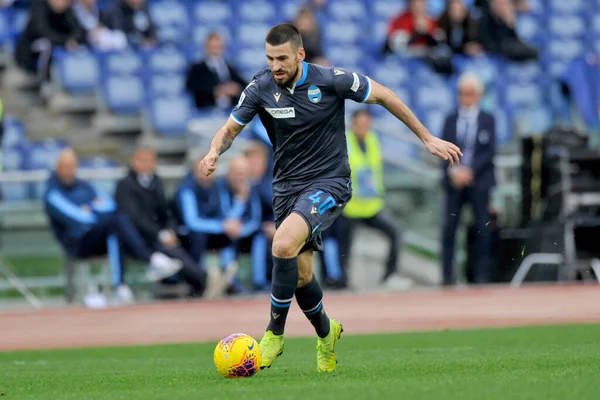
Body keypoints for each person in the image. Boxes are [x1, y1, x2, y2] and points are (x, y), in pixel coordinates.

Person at [197, 23, 461, 373]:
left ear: (300, 55)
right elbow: (230, 129)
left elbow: (384, 94)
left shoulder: (330, 80)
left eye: (282, 59)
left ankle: (274, 334)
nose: (275, 65)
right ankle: (327, 333)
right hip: (286, 187)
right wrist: (214, 151)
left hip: (330, 182)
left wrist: (427, 138)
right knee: (301, 274)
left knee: (282, 243)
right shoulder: (260, 87)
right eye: (270, 58)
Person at [44, 148, 183, 304]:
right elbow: (80, 218)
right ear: (58, 167)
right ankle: (150, 260)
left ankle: (120, 286)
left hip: (98, 235)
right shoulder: (53, 192)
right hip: (77, 243)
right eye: (65, 166)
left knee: (117, 229)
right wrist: (92, 208)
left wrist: (91, 208)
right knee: (116, 222)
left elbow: (110, 205)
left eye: (72, 165)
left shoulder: (84, 185)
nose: (69, 170)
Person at [114, 146, 218, 299]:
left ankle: (198, 283)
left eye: (149, 160)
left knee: (184, 242)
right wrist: (159, 234)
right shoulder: (124, 185)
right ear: (133, 161)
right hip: (140, 240)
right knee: (171, 251)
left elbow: (166, 211)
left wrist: (170, 230)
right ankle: (204, 279)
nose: (145, 164)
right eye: (142, 160)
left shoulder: (156, 182)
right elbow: (134, 217)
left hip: (160, 235)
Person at [338, 109, 412, 291]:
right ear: (353, 124)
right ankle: (342, 283)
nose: (364, 127)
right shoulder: (343, 142)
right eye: (360, 124)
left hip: (371, 205)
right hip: (350, 207)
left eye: (366, 124)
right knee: (344, 248)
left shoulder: (372, 140)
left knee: (396, 232)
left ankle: (389, 275)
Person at [441, 72, 496, 285]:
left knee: (483, 228)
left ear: (479, 95)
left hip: (479, 182)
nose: (466, 98)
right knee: (449, 230)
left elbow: (489, 152)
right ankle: (447, 278)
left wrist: (470, 171)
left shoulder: (488, 119)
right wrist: (455, 171)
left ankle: (482, 277)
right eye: (463, 94)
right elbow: (441, 149)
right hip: (454, 182)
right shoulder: (450, 120)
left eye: (471, 94)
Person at [185, 32, 247, 111]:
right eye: (212, 47)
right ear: (206, 48)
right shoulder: (197, 68)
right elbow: (191, 85)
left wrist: (236, 88)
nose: (215, 50)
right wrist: (216, 90)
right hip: (205, 113)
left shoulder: (229, 67)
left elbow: (244, 85)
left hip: (229, 113)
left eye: (218, 47)